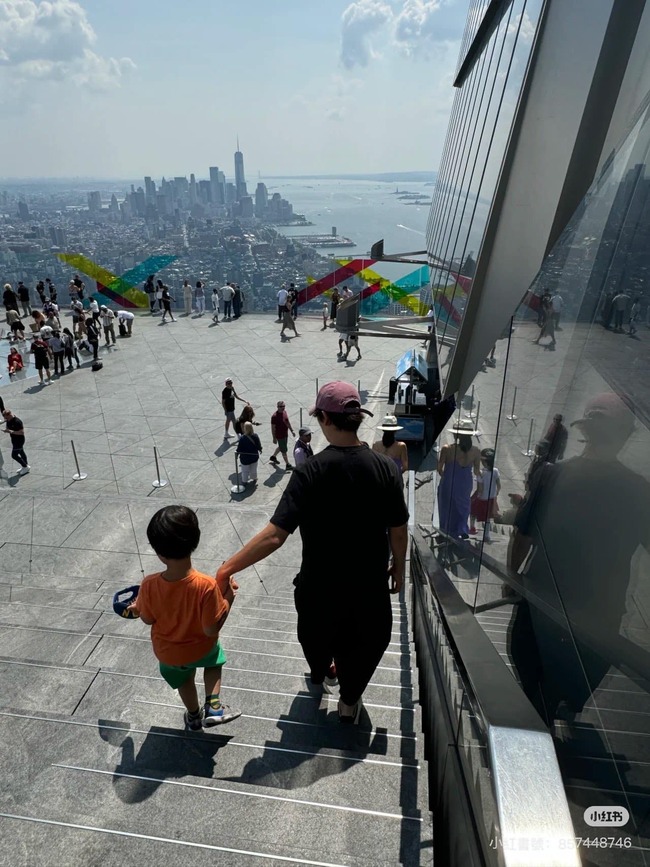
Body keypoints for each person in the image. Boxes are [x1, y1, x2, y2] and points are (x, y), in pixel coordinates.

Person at [216, 381, 409, 724]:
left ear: (324, 419)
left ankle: (324, 672)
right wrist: (399, 568)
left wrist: (226, 569)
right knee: (368, 643)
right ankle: (350, 700)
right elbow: (398, 528)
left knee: (315, 639)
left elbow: (275, 535)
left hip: (320, 588)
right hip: (368, 587)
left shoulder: (309, 472)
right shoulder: (385, 469)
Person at [507, 393, 650, 726]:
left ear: (584, 430)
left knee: (531, 666)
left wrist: (512, 578)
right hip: (600, 612)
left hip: (543, 598)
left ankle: (538, 719)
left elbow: (522, 535)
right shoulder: (638, 490)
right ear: (625, 436)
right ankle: (557, 707)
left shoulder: (551, 475)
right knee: (579, 670)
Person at [129, 506, 241, 730]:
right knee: (214, 660)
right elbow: (211, 629)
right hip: (200, 649)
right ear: (195, 541)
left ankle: (193, 716)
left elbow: (148, 619)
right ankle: (214, 706)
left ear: (159, 553)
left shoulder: (148, 585)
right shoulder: (206, 586)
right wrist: (228, 598)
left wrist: (136, 607)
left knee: (184, 680)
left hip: (169, 654)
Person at [437, 419, 482, 538]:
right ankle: (461, 528)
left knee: (446, 507)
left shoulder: (447, 449)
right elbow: (477, 471)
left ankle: (445, 530)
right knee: (463, 505)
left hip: (450, 481)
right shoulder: (476, 451)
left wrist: (446, 477)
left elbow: (439, 468)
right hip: (465, 482)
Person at [469, 448, 501, 542]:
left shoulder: (481, 474)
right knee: (487, 518)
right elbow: (499, 485)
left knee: (473, 512)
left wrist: (473, 497)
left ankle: (472, 528)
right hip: (491, 498)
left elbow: (480, 489)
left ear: (484, 462)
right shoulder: (495, 471)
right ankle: (486, 535)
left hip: (482, 499)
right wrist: (496, 493)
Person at [372, 414, 408, 480]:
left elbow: (374, 465)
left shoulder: (376, 445)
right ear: (396, 431)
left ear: (383, 430)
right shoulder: (401, 446)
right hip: (395, 480)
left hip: (380, 480)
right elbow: (405, 467)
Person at [2, 408, 30, 475]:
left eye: (6, 418)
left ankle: (25, 466)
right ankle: (25, 466)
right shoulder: (8, 420)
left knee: (14, 455)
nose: (6, 419)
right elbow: (8, 427)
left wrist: (11, 431)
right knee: (21, 452)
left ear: (9, 415)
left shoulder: (17, 421)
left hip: (19, 440)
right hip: (14, 439)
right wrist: (6, 430)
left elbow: (22, 432)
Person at [269, 400, 295, 469]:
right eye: (281, 406)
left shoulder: (284, 412)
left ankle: (273, 457)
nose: (282, 408)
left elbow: (287, 422)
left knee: (282, 447)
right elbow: (273, 428)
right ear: (277, 407)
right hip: (280, 436)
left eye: (283, 406)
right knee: (284, 450)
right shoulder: (274, 417)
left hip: (285, 434)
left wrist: (292, 430)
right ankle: (288, 464)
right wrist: (274, 438)